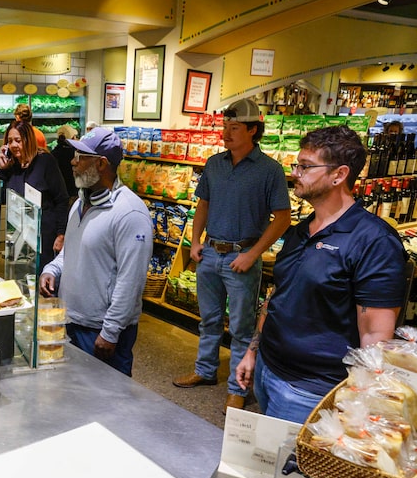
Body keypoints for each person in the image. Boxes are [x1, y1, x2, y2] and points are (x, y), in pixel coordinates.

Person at [236, 125, 408, 424]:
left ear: (339, 175)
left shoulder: (374, 241)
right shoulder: (302, 230)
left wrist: (363, 405)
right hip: (268, 369)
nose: (295, 173)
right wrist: (254, 351)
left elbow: (375, 334)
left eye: (306, 166)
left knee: (292, 469)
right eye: (297, 165)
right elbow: (278, 295)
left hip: (312, 390)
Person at [172, 98, 291, 414]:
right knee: (208, 319)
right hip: (209, 254)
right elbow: (203, 205)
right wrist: (195, 241)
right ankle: (205, 370)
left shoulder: (270, 171)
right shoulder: (215, 163)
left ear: (253, 130)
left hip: (242, 257)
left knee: (241, 327)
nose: (226, 132)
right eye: (225, 126)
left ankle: (237, 388)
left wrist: (253, 254)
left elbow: (282, 218)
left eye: (234, 127)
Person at [39, 127, 153, 376]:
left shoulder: (130, 213)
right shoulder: (80, 203)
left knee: (109, 407)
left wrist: (110, 331)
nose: (72, 162)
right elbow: (69, 253)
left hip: (101, 332)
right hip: (72, 321)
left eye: (80, 157)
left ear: (101, 164)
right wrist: (52, 270)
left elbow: (131, 280)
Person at [0, 120, 69, 272]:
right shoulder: (11, 166)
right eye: (10, 141)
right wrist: (2, 170)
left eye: (18, 140)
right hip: (19, 237)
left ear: (28, 140)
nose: (14, 145)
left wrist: (61, 234)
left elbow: (62, 199)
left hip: (44, 237)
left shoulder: (45, 161)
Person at [51, 124, 79, 200]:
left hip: (57, 195)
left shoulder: (53, 154)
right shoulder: (76, 154)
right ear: (72, 138)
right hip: (73, 193)